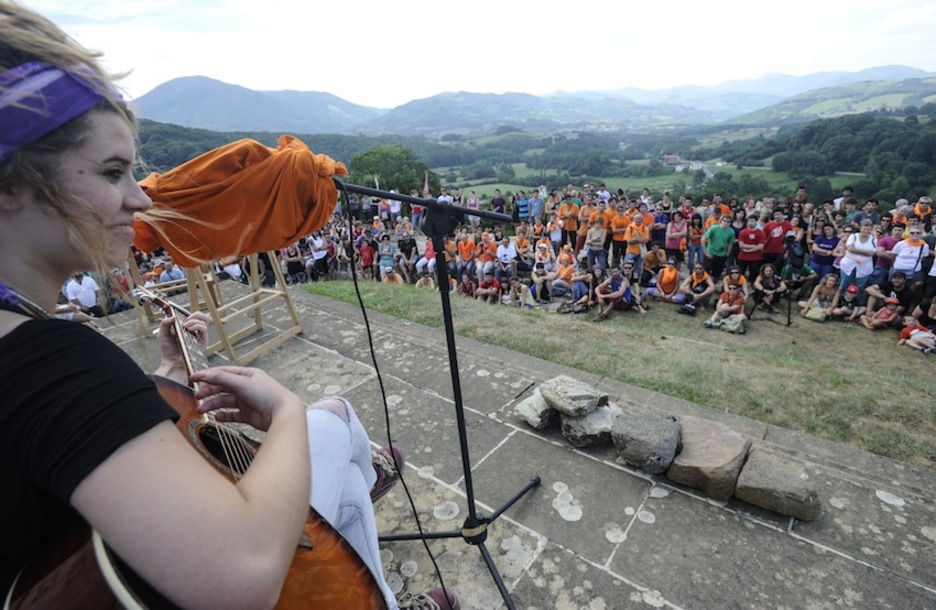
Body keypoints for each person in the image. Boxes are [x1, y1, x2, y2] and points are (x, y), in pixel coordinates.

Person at [0, 8, 460, 609]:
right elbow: (243, 574)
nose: (139, 197)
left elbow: (66, 443)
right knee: (335, 419)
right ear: (10, 184)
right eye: (113, 172)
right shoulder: (52, 363)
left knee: (344, 487)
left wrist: (165, 379)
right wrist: (287, 411)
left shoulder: (33, 348)